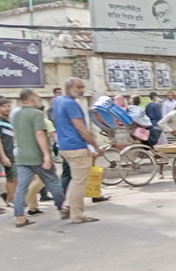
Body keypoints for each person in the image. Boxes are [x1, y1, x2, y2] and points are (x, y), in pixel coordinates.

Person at [12, 89, 65, 227]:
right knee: (53, 182)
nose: (39, 98)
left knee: (21, 187)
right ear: (30, 98)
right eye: (37, 96)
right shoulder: (36, 114)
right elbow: (39, 134)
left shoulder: (16, 114)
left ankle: (19, 217)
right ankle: (62, 209)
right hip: (37, 156)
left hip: (21, 157)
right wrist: (47, 155)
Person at [54, 77, 104, 224]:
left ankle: (67, 205)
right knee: (80, 182)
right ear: (69, 88)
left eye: (82, 87)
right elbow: (80, 127)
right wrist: (95, 145)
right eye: (79, 87)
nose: (82, 90)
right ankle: (77, 215)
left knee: (76, 179)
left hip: (64, 146)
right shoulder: (71, 104)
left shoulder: (58, 101)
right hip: (76, 147)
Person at [0, 97, 16, 208]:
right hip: (4, 153)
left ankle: (10, 198)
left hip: (12, 152)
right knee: (11, 178)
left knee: (13, 177)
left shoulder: (10, 121)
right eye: (4, 106)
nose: (7, 108)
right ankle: (10, 199)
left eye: (8, 106)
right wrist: (3, 156)